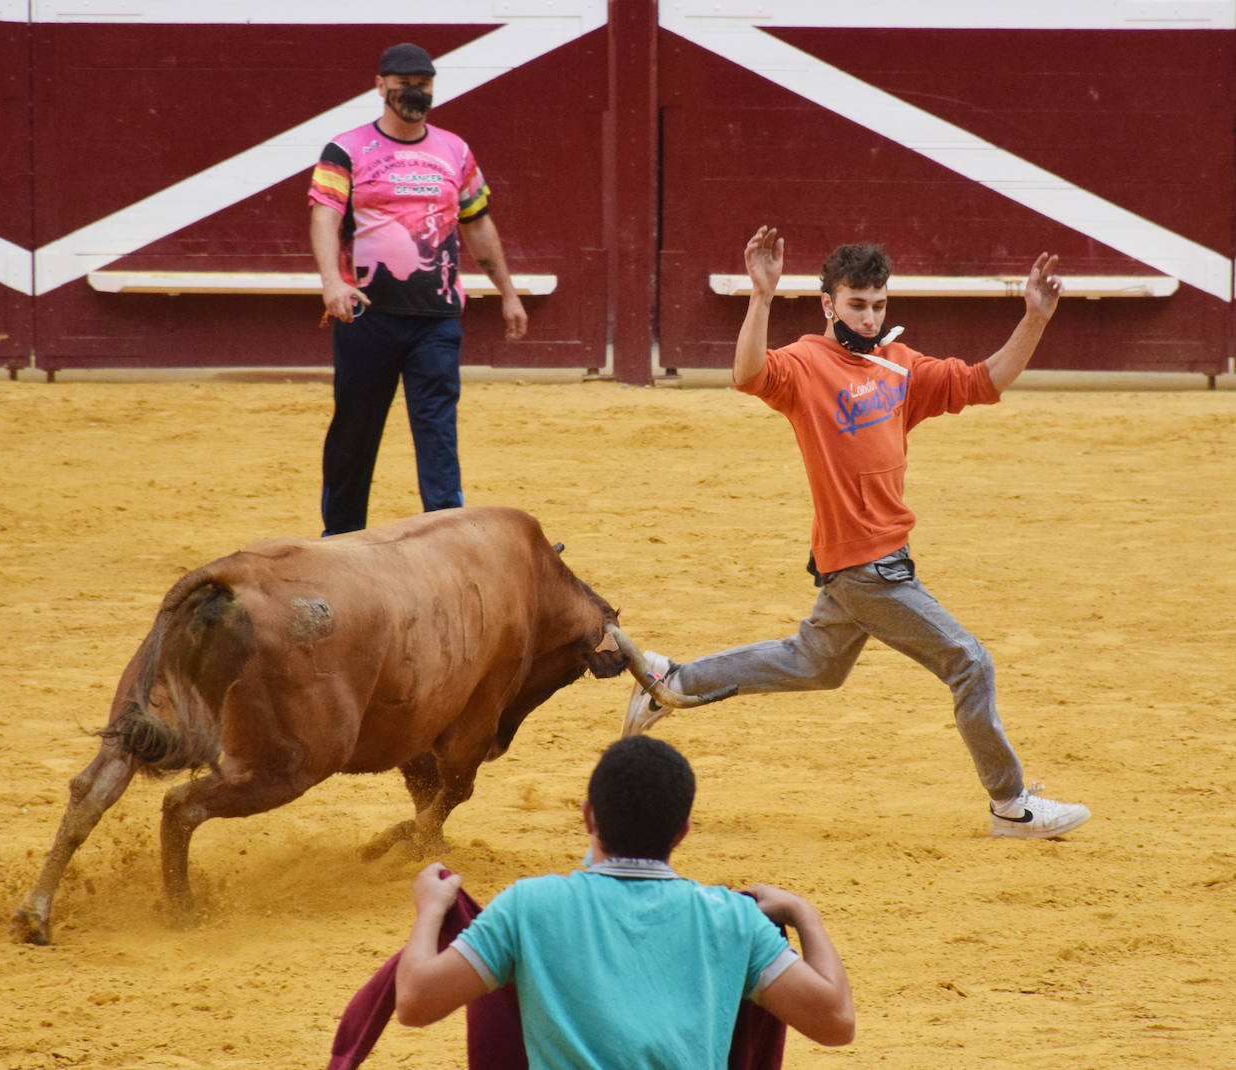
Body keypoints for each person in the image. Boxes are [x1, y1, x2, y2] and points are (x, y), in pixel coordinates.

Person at [623, 227, 1091, 841]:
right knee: (970, 664)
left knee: (815, 664)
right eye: (856, 305)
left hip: (873, 555)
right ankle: (1012, 806)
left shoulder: (900, 367)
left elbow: (985, 382)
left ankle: (672, 681)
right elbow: (747, 373)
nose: (869, 318)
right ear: (828, 304)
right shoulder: (806, 364)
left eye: (878, 305)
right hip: (866, 565)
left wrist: (1034, 319)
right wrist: (761, 297)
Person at [394, 736, 855, 1067]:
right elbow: (836, 1023)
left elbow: (415, 1003)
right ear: (682, 832)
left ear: (588, 816)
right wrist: (803, 914)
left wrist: (432, 910)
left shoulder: (530, 906)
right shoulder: (732, 920)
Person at [307, 42, 528, 536]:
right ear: (380, 86)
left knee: (437, 432)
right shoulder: (345, 149)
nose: (414, 91)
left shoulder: (455, 150)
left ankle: (446, 535)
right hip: (367, 313)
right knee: (355, 430)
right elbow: (325, 217)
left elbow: (477, 224)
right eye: (404, 83)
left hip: (437, 316)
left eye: (423, 83)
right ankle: (339, 537)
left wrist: (508, 292)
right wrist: (331, 282)